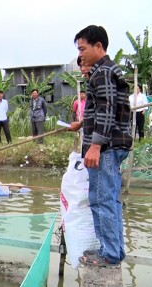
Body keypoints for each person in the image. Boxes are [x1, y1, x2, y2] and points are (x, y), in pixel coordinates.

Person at [70, 25, 133, 268]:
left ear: (99, 47)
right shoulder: (107, 71)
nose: (81, 54)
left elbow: (106, 111)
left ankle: (109, 254)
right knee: (111, 200)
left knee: (101, 200)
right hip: (112, 144)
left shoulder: (102, 72)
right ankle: (114, 249)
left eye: (83, 48)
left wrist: (95, 146)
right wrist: (82, 123)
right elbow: (106, 110)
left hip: (105, 149)